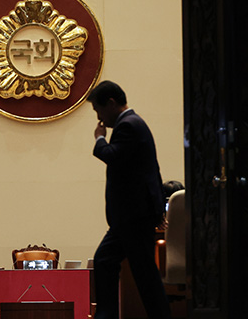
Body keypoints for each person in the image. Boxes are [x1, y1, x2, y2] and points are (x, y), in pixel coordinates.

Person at [88, 80, 171, 319]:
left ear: (111, 103)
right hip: (133, 216)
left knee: (133, 270)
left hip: (132, 216)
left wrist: (99, 139)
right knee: (118, 264)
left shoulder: (128, 126)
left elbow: (112, 156)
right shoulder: (134, 124)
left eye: (99, 110)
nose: (100, 119)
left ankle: (107, 314)